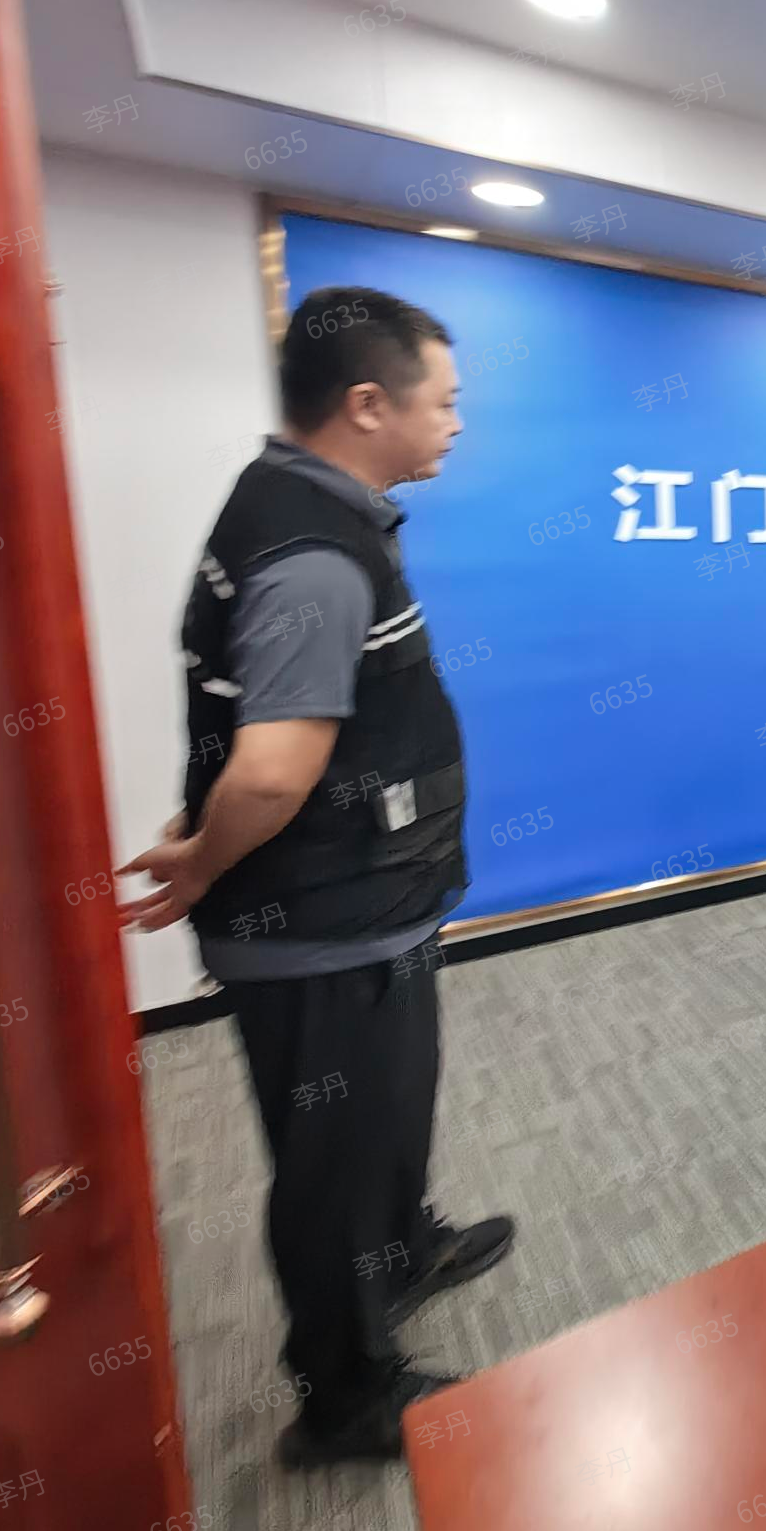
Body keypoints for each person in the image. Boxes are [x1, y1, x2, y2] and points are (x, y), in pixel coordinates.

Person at [120, 286, 513, 1467]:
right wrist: (201, 864)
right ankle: (343, 1398)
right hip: (319, 927)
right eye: (445, 402)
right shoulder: (312, 555)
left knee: (389, 1116)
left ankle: (403, 1253)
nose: (457, 423)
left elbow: (255, 721)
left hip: (370, 908)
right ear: (367, 404)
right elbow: (272, 772)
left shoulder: (309, 510)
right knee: (330, 1166)